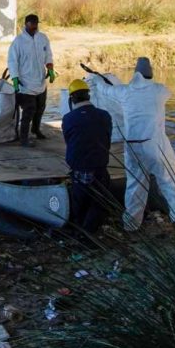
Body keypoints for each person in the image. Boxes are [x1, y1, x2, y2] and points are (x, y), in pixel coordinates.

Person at [89, 57, 175, 232]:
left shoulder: (125, 92)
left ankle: (131, 224)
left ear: (134, 74)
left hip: (133, 146)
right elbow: (167, 93)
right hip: (156, 145)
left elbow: (105, 90)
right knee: (169, 182)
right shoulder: (159, 90)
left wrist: (97, 78)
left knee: (135, 186)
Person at [62, 79, 114, 234]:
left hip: (80, 168)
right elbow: (107, 136)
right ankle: (92, 229)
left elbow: (68, 140)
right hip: (100, 166)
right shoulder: (105, 115)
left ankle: (83, 232)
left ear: (72, 99)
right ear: (88, 96)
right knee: (99, 200)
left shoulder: (68, 119)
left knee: (80, 201)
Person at [6, 14, 55, 147]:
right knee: (29, 111)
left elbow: (48, 55)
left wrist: (50, 68)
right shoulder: (18, 42)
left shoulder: (43, 38)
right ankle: (23, 139)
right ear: (26, 24)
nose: (33, 28)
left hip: (40, 81)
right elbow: (12, 61)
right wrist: (15, 78)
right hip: (25, 83)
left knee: (40, 108)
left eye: (35, 26)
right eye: (30, 26)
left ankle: (36, 129)